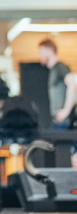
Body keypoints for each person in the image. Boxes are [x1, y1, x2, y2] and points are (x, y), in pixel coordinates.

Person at [40, 39, 77, 168]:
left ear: (50, 51)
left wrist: (66, 110)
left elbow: (72, 84)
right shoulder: (53, 70)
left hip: (65, 121)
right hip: (59, 120)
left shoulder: (60, 67)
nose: (39, 56)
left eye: (41, 51)